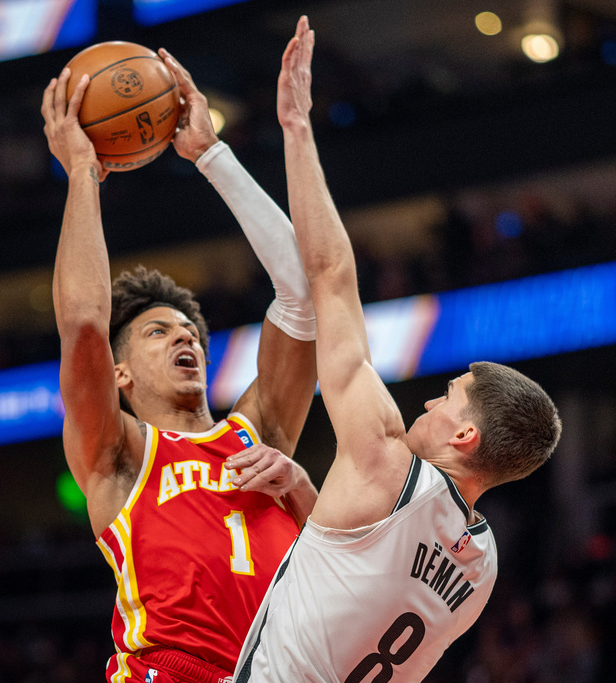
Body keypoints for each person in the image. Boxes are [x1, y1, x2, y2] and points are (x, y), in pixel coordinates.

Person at [233, 18, 562, 683]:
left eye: (448, 398)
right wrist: (303, 488)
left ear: (466, 434)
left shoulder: (384, 461)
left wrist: (296, 127)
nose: (430, 403)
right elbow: (357, 575)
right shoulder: (481, 566)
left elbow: (331, 276)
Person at [41, 47, 320, 683]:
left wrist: (212, 155)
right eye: (158, 331)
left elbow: (302, 295)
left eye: (189, 331)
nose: (183, 337)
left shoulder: (259, 436)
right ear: (119, 373)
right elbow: (83, 324)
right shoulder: (119, 454)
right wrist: (82, 173)